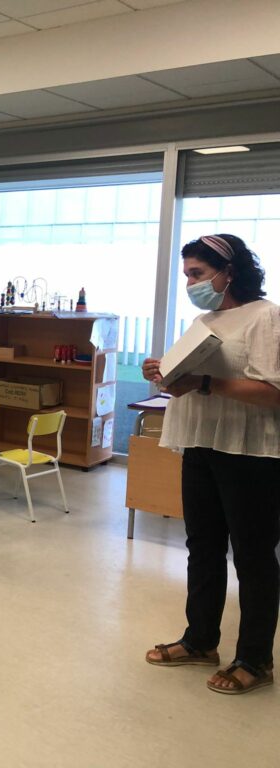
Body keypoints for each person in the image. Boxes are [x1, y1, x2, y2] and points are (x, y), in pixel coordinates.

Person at [142, 233, 280, 696]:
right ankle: (200, 640)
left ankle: (255, 659)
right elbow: (192, 374)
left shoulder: (265, 317)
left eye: (197, 274)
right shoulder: (205, 318)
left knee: (253, 556)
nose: (191, 283)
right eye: (187, 275)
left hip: (250, 452)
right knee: (201, 547)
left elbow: (272, 392)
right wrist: (165, 372)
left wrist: (205, 383)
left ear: (229, 272)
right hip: (202, 443)